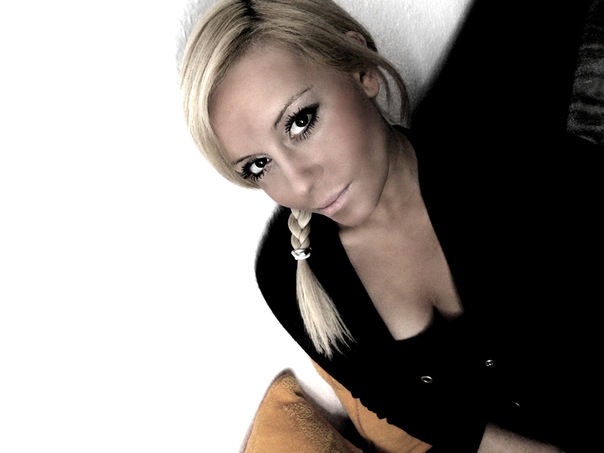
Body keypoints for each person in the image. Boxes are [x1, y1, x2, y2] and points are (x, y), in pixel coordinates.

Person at [178, 0, 602, 451]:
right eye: (258, 165)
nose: (299, 183)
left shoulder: (506, 160)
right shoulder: (289, 271)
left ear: (361, 70)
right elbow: (416, 410)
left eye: (301, 122)